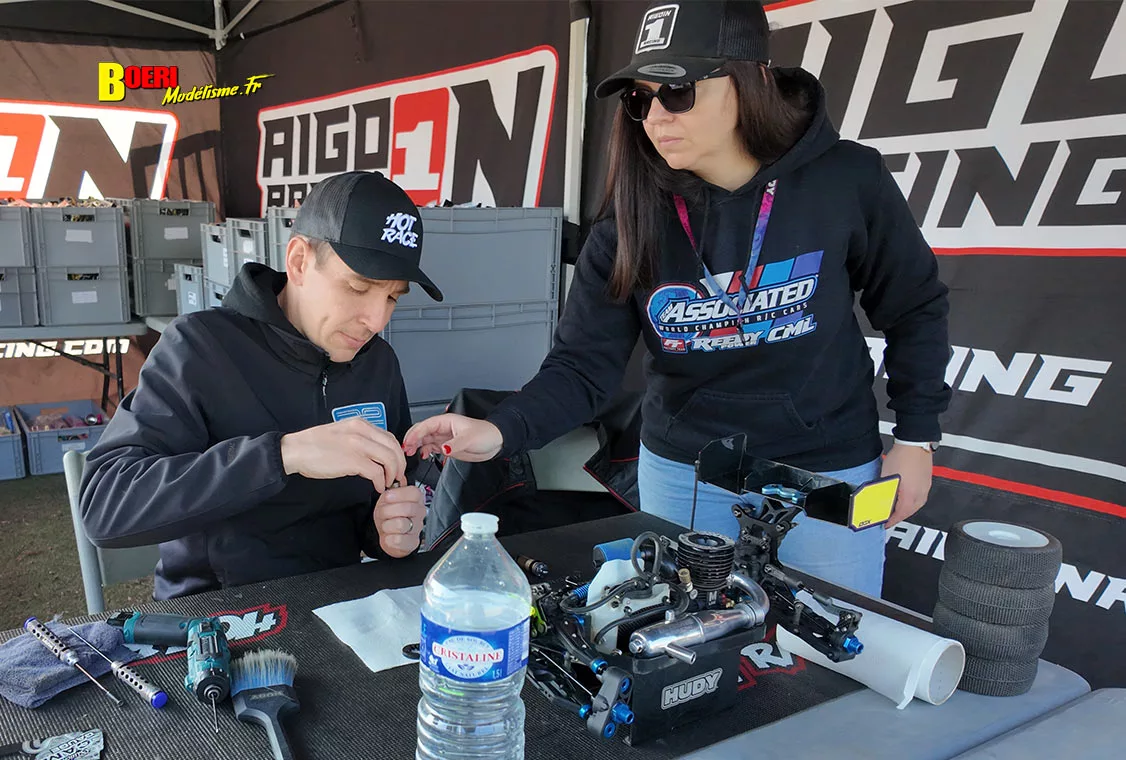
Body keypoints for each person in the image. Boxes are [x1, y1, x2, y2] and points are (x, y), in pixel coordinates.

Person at [404, 0, 951, 598]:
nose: (656, 116)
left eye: (679, 92)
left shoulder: (848, 180)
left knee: (824, 656)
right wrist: (499, 430)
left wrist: (916, 439)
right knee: (682, 654)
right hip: (686, 475)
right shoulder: (629, 220)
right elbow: (582, 368)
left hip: (824, 468)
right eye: (640, 100)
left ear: (754, 79)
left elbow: (914, 305)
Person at [80, 171, 438, 600]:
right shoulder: (201, 347)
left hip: (341, 604)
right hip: (217, 611)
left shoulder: (377, 363)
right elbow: (106, 507)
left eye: (392, 297)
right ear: (300, 261)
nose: (376, 320)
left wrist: (387, 532)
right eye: (359, 288)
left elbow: (377, 504)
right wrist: (285, 454)